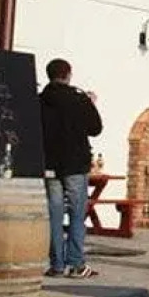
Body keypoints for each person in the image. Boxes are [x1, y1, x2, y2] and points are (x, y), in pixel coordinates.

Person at [38, 58, 102, 279]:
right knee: (76, 213)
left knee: (54, 214)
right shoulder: (78, 99)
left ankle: (56, 264)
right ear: (68, 74)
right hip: (74, 163)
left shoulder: (40, 100)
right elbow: (95, 128)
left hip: (49, 163)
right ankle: (76, 264)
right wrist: (91, 104)